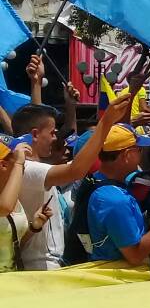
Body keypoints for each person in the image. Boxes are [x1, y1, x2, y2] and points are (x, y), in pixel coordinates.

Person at [12, 94, 131, 269]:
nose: (55, 138)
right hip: (40, 266)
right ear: (35, 134)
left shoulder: (35, 167)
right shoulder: (27, 168)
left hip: (48, 263)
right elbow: (76, 170)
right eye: (52, 133)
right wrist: (105, 122)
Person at [85, 124, 150, 265]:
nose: (142, 155)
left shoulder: (93, 180)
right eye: (139, 149)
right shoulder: (115, 200)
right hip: (114, 278)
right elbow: (135, 256)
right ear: (127, 155)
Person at [0, 138, 42, 272]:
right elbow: (4, 208)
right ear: (3, 165)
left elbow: (13, 243)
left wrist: (34, 227)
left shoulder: (12, 196)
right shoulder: (7, 202)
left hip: (10, 279)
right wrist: (18, 163)